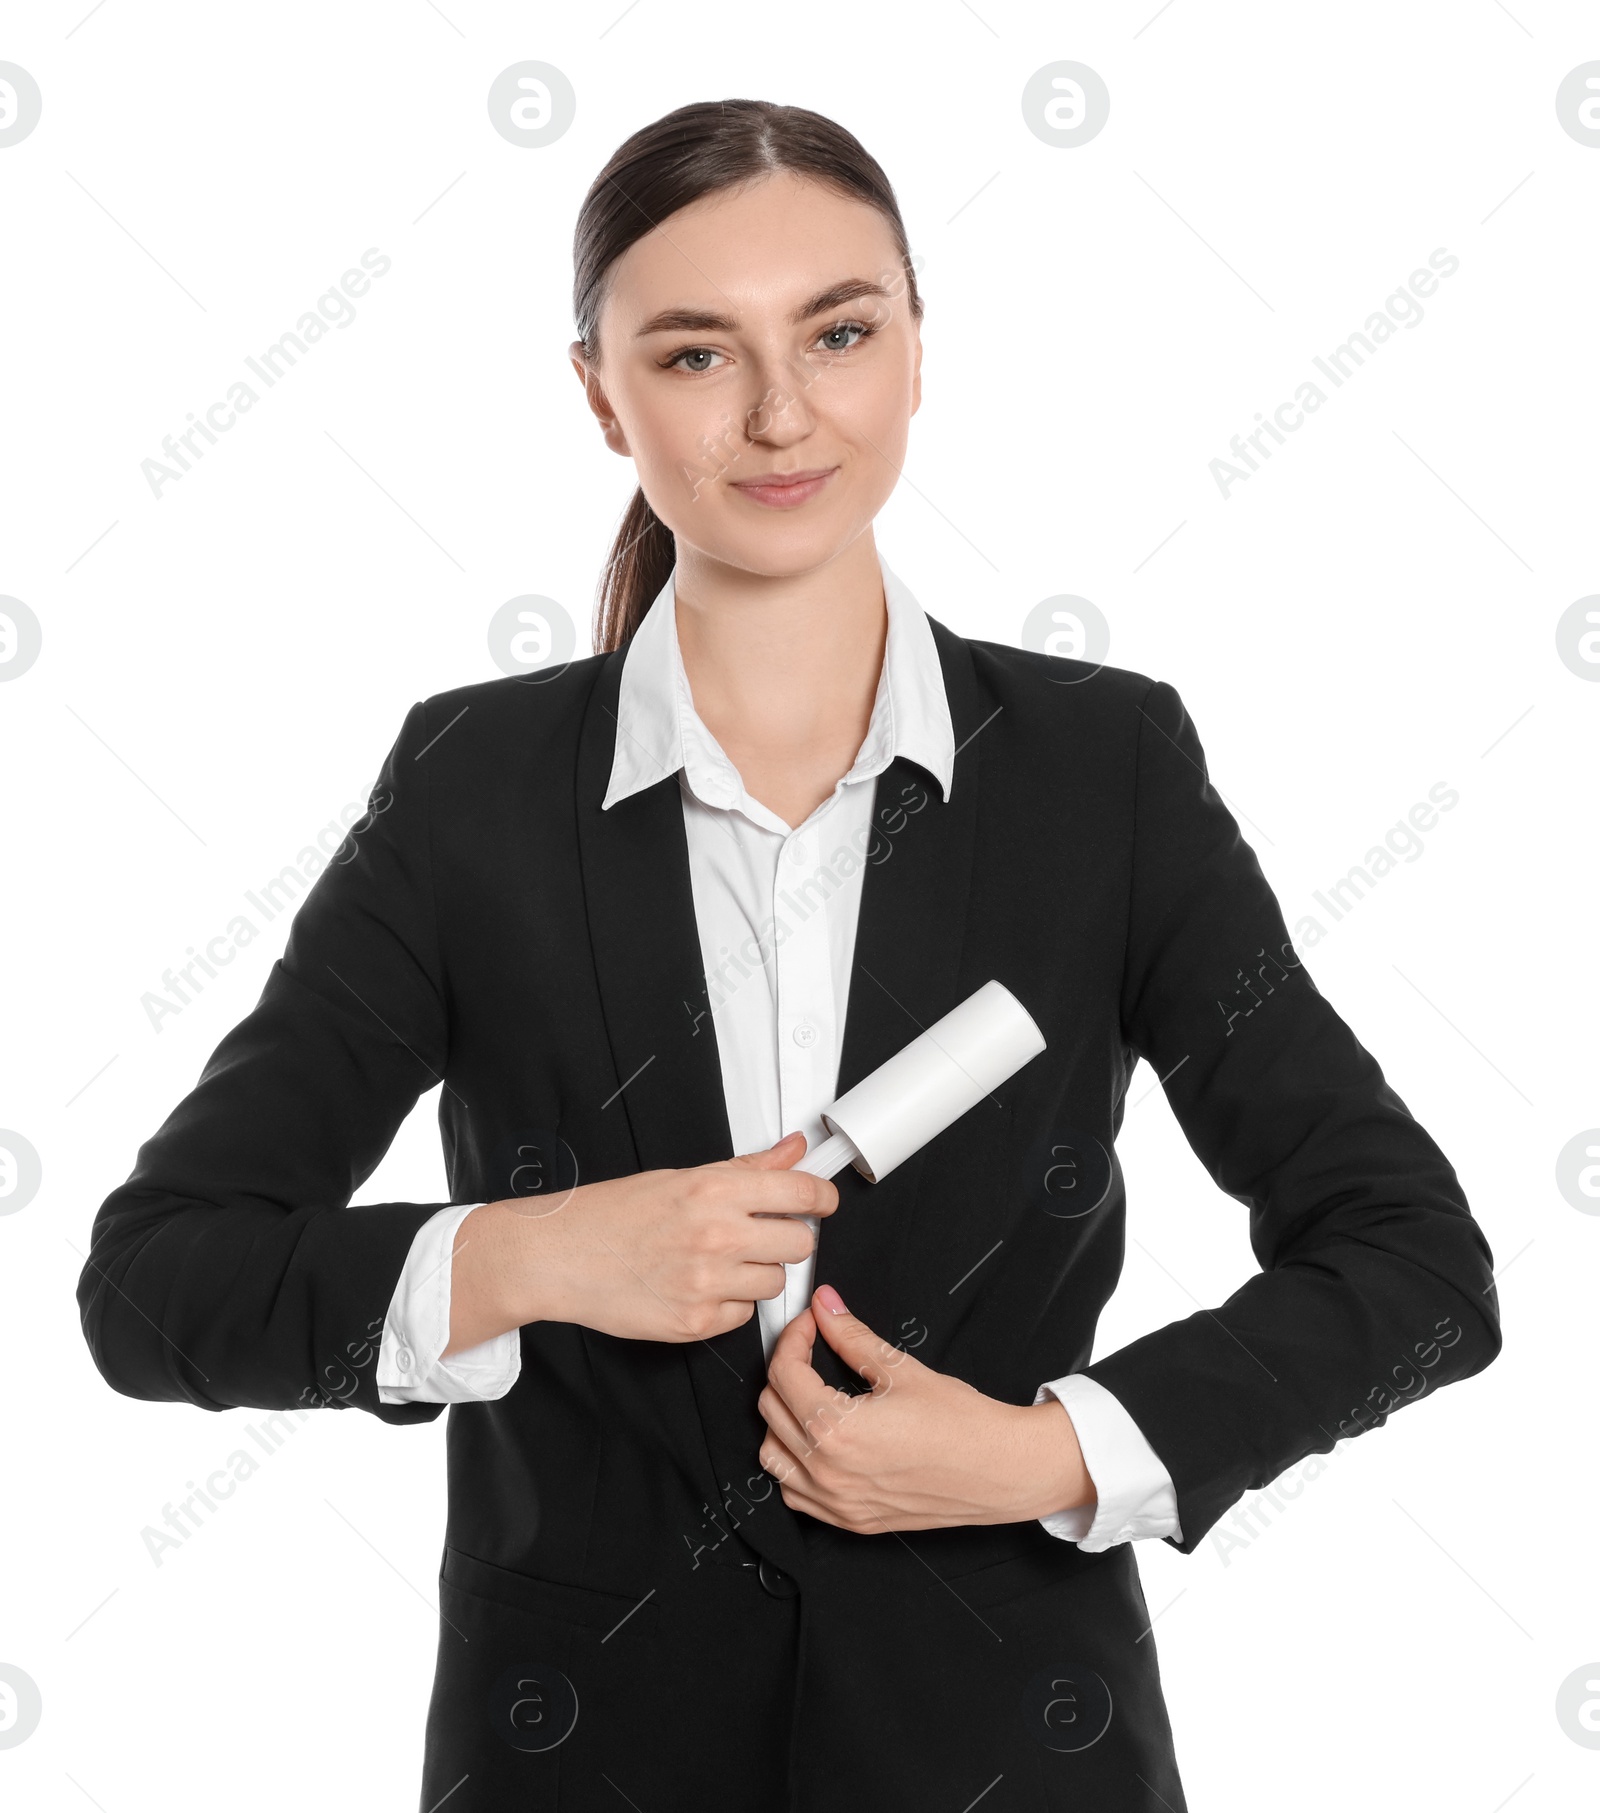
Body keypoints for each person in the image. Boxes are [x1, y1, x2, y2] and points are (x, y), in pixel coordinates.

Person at [77, 98, 1502, 1811]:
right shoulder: (477, 789)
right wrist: (526, 1253)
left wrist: (1042, 1450)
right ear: (600, 392)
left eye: (838, 331)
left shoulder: (1101, 773)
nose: (779, 413)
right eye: (693, 354)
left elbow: (1418, 1266)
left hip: (1014, 1752)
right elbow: (158, 1287)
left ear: (916, 350)